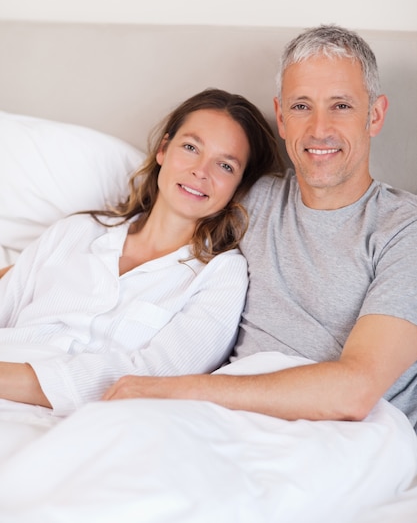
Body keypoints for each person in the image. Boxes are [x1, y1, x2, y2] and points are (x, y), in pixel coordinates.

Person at [103, 25, 417, 433]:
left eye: (341, 105)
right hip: (227, 423)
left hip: (348, 436)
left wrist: (166, 390)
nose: (319, 129)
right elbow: (131, 241)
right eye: (302, 106)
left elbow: (355, 391)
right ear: (282, 117)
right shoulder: (249, 199)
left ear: (374, 115)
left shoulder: (402, 229)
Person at [0, 88, 283, 417]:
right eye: (191, 147)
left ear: (240, 186)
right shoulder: (77, 231)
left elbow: (153, 379)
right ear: (164, 149)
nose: (201, 171)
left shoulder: (221, 276)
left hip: (66, 419)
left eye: (225, 165)